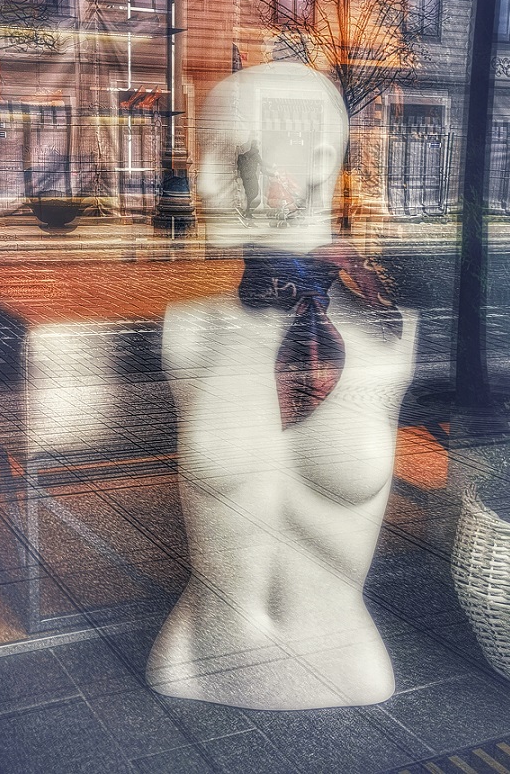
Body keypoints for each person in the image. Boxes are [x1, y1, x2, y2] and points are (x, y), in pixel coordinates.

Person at [146, 62, 418, 709]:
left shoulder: (394, 335)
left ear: (318, 160)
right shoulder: (189, 332)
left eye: (233, 156)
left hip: (347, 665)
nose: (201, 185)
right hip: (195, 660)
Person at [236, 139, 264, 224]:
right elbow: (263, 164)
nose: (259, 146)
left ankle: (248, 213)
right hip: (252, 177)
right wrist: (273, 168)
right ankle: (248, 212)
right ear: (255, 145)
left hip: (245, 178)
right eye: (258, 144)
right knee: (255, 194)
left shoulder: (245, 154)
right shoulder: (256, 155)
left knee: (249, 195)